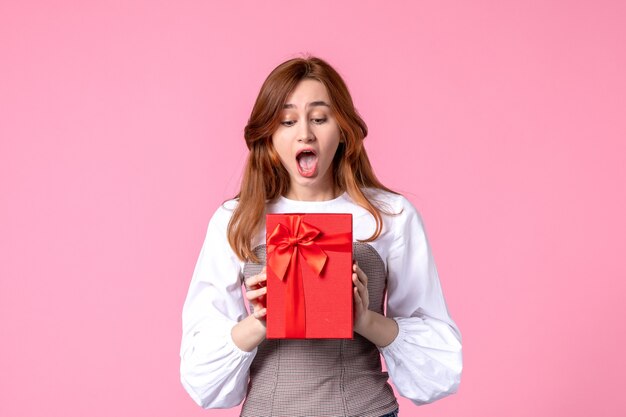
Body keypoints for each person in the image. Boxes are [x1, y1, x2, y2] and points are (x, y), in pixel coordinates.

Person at [179, 56, 463, 417]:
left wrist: (363, 320)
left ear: (342, 129)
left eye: (318, 118)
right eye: (287, 121)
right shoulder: (234, 221)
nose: (305, 134)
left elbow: (440, 369)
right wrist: (260, 321)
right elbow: (202, 381)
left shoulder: (390, 215)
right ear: (269, 134)